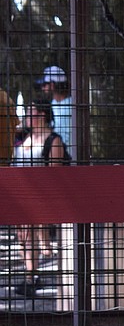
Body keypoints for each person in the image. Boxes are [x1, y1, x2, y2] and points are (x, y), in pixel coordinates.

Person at [12, 102, 69, 297]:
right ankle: (31, 275)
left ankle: (32, 276)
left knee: (33, 238)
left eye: (30, 111)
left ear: (42, 114)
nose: (27, 115)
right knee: (23, 238)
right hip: (21, 196)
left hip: (40, 197)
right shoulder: (24, 137)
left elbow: (56, 173)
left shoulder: (53, 140)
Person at [37, 66, 72, 158]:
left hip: (68, 156)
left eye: (44, 84)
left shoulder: (71, 105)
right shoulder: (53, 103)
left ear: (52, 85)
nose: (42, 88)